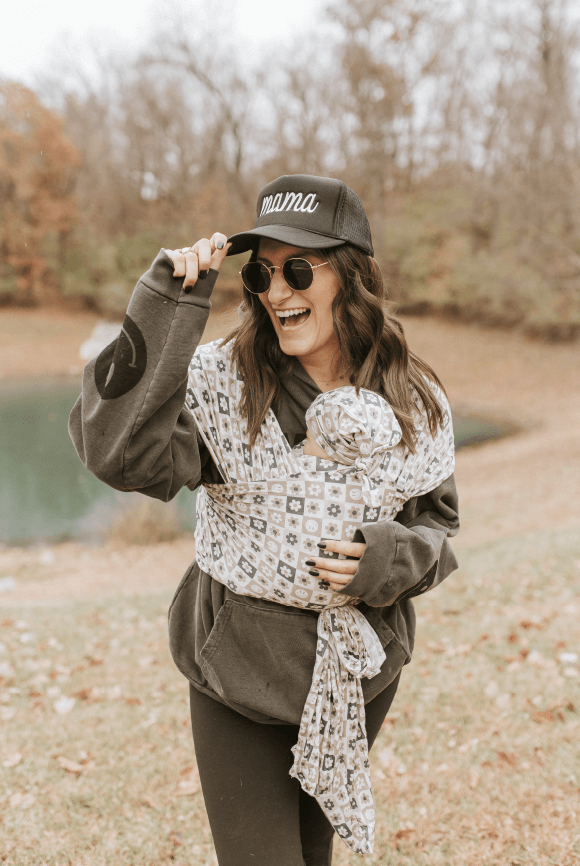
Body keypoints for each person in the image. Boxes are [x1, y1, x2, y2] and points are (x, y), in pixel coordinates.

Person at [69, 173, 459, 866]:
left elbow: (437, 530)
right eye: (262, 274)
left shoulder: (415, 399)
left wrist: (386, 558)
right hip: (238, 671)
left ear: (352, 275)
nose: (278, 292)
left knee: (311, 857)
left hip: (355, 673)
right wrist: (166, 307)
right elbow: (117, 453)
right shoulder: (225, 385)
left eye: (299, 270)